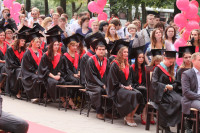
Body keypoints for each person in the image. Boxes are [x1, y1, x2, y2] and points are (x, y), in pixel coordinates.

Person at [107, 46, 144, 127]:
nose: (126, 54)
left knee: (139, 94)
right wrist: (124, 86)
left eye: (127, 52)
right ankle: (128, 117)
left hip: (125, 88)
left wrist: (129, 85)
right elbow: (114, 81)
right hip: (116, 89)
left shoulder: (128, 65)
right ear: (120, 53)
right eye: (124, 52)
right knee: (133, 95)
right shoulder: (114, 64)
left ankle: (130, 116)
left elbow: (130, 79)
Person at [150, 51, 182, 133]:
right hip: (160, 93)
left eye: (172, 62)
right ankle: (164, 125)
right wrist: (164, 86)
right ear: (165, 58)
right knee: (174, 101)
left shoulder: (170, 69)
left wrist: (172, 86)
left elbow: (175, 83)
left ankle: (167, 124)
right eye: (170, 62)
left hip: (169, 92)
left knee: (181, 100)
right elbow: (154, 83)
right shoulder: (158, 68)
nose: (171, 64)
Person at [38, 34, 68, 106]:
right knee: (53, 82)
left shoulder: (60, 56)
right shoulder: (45, 55)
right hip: (47, 76)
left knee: (62, 81)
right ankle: (62, 99)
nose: (57, 46)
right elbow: (44, 70)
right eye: (55, 45)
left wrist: (58, 75)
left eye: (58, 45)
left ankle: (64, 98)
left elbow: (61, 69)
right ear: (51, 45)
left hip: (56, 76)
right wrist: (54, 77)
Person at [85, 38, 110, 120]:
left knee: (111, 90)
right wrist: (102, 84)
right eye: (99, 49)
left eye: (103, 49)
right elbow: (91, 76)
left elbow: (108, 74)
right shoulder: (91, 60)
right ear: (95, 50)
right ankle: (99, 111)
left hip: (103, 84)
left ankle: (109, 111)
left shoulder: (107, 60)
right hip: (92, 83)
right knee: (98, 90)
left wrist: (107, 84)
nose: (101, 51)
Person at [21, 31, 43, 101]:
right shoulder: (27, 52)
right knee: (36, 78)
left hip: (38, 71)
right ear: (32, 42)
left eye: (39, 42)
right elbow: (27, 65)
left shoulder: (41, 52)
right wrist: (35, 71)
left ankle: (43, 96)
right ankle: (33, 96)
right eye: (36, 42)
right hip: (28, 72)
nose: (38, 43)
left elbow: (43, 63)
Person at [181, 52, 200, 132]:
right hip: (191, 99)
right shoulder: (187, 74)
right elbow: (186, 92)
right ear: (193, 61)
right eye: (199, 60)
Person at [5, 32, 27, 99]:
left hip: (20, 68)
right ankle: (17, 91)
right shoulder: (10, 49)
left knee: (22, 71)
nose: (23, 42)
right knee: (20, 71)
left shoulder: (24, 50)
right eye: (22, 41)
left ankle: (21, 91)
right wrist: (19, 66)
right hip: (11, 68)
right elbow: (10, 62)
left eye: (24, 41)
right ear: (18, 41)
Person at [0, 29, 9, 93]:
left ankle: (1, 85)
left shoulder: (6, 45)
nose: (2, 36)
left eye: (3, 35)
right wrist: (2, 61)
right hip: (1, 62)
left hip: (5, 62)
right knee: (4, 67)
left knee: (8, 68)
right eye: (1, 35)